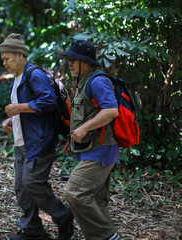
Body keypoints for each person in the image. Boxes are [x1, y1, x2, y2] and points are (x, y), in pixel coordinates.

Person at [0, 33, 74, 240]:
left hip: (39, 143)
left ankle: (63, 216)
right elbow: (25, 111)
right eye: (3, 59)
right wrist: (11, 121)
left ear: (20, 55)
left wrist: (19, 108)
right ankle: (33, 231)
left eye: (7, 58)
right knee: (21, 188)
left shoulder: (34, 75)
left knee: (32, 183)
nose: (4, 62)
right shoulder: (16, 78)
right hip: (22, 143)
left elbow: (48, 101)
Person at [60, 40, 121, 240]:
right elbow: (84, 114)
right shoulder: (85, 80)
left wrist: (84, 129)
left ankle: (107, 236)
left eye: (72, 60)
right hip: (91, 149)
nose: (69, 64)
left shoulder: (97, 81)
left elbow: (111, 110)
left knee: (75, 192)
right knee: (94, 198)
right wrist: (72, 140)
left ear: (84, 62)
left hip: (101, 150)